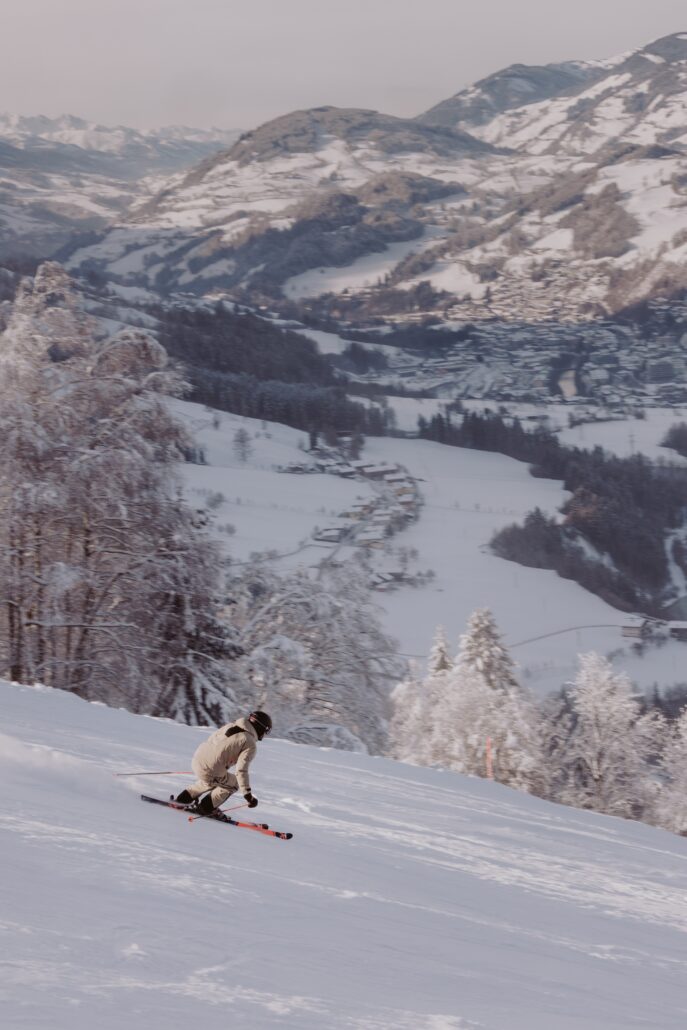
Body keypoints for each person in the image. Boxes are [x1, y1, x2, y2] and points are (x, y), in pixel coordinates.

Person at [175, 710, 272, 816]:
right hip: (211, 769)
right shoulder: (250, 743)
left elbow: (212, 741)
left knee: (211, 780)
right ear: (260, 727)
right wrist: (248, 795)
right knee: (233, 784)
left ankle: (183, 798)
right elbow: (241, 770)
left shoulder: (231, 726)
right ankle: (205, 808)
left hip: (197, 760)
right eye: (266, 731)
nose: (264, 735)